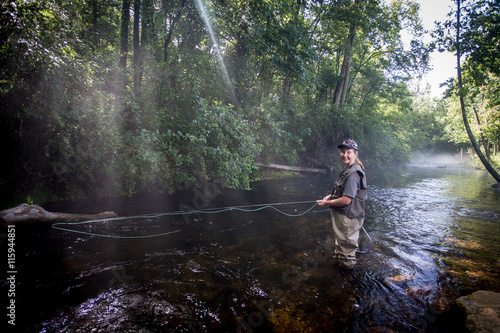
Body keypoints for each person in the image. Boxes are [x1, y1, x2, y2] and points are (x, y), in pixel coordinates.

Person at [316, 139, 367, 270]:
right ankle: (341, 266)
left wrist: (327, 203)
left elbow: (346, 200)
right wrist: (330, 197)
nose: (345, 155)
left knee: (346, 250)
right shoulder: (349, 170)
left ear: (355, 154)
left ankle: (347, 277)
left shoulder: (353, 174)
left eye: (348, 152)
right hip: (345, 216)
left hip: (348, 218)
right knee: (342, 244)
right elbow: (343, 193)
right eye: (343, 152)